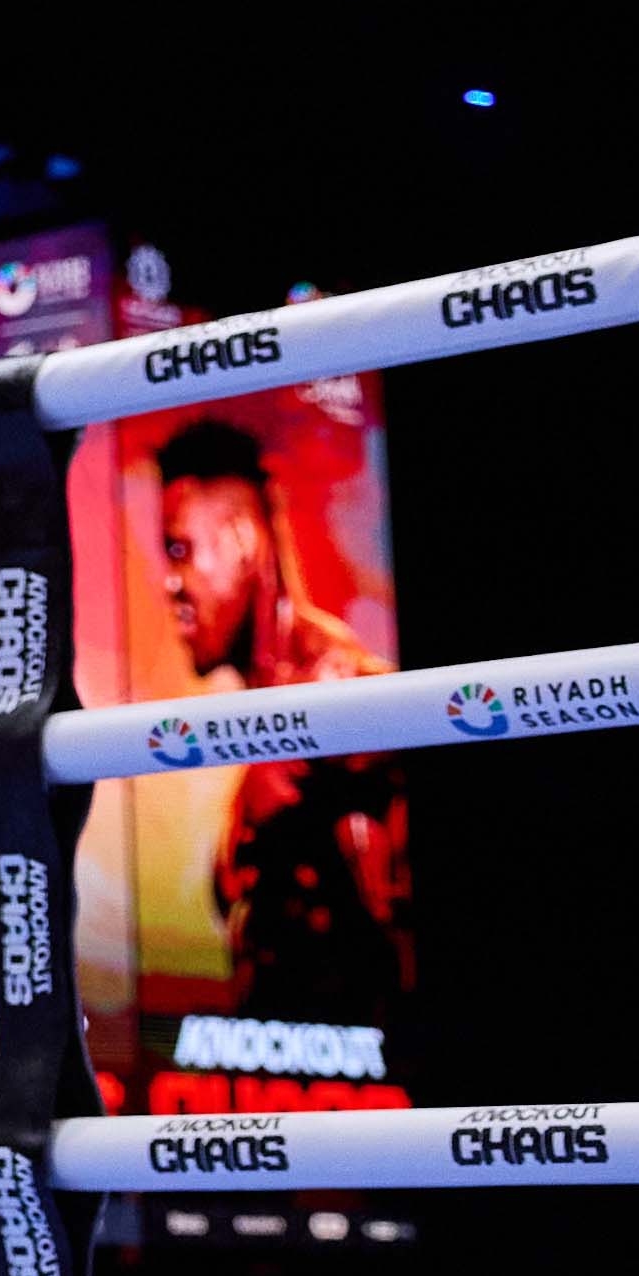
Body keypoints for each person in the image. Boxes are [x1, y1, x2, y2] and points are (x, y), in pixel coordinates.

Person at [149, 415, 416, 1017]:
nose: (169, 584)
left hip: (362, 1057)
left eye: (180, 550)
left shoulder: (335, 686)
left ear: (243, 541)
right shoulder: (275, 713)